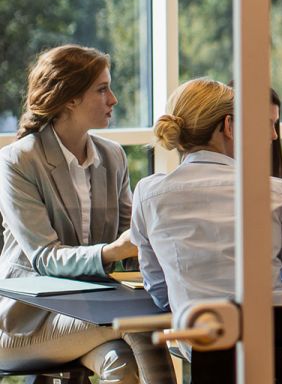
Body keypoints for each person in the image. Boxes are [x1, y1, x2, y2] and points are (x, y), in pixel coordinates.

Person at [130, 78, 282, 344]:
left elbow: (159, 291)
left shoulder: (148, 194)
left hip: (206, 352)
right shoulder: (276, 192)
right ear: (228, 126)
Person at [0, 45, 173, 383]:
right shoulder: (18, 161)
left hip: (93, 313)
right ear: (69, 99)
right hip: (24, 324)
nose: (114, 99)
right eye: (102, 88)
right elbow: (45, 257)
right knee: (140, 330)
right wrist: (115, 251)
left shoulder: (113, 157)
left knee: (121, 364)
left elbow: (132, 240)